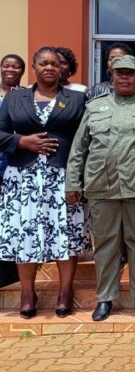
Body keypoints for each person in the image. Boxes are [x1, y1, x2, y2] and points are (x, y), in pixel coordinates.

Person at [66, 55, 135, 321]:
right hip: (101, 186)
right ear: (112, 76)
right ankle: (105, 298)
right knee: (105, 245)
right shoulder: (95, 106)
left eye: (130, 73)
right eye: (120, 73)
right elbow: (79, 148)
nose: (125, 77)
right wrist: (73, 182)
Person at [0, 47, 87, 319]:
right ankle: (28, 293)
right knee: (24, 234)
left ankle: (65, 291)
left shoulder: (76, 98)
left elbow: (85, 138)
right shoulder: (15, 98)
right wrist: (22, 141)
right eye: (44, 63)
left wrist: (80, 179)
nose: (49, 68)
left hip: (63, 177)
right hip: (22, 178)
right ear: (34, 67)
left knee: (65, 232)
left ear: (62, 69)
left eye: (54, 64)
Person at [0, 54, 26, 181]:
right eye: (6, 66)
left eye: (15, 67)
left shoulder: (27, 95)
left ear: (22, 71)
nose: (10, 69)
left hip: (16, 153)